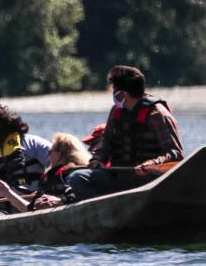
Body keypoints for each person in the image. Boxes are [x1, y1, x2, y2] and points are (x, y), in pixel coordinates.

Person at [67, 65, 184, 202]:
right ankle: (105, 211)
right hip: (118, 176)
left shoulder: (157, 114)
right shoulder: (115, 112)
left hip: (148, 179)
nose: (112, 93)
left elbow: (176, 153)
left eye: (114, 89)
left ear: (123, 93)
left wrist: (152, 163)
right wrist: (97, 160)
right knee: (77, 178)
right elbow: (106, 143)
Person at [0, 131, 92, 212]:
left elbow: (30, 210)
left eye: (50, 151)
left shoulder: (58, 176)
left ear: (58, 155)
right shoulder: (86, 171)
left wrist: (7, 193)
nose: (49, 154)